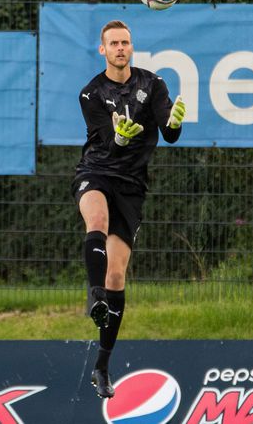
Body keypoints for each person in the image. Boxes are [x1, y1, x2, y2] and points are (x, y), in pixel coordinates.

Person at [72, 20, 186, 398]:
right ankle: (94, 296)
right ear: (102, 50)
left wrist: (174, 123)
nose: (121, 48)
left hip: (132, 186)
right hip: (96, 172)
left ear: (131, 47)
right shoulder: (90, 94)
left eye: (125, 42)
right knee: (97, 220)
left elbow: (169, 133)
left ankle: (102, 367)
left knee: (117, 276)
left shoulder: (153, 84)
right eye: (113, 43)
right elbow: (109, 140)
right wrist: (119, 136)